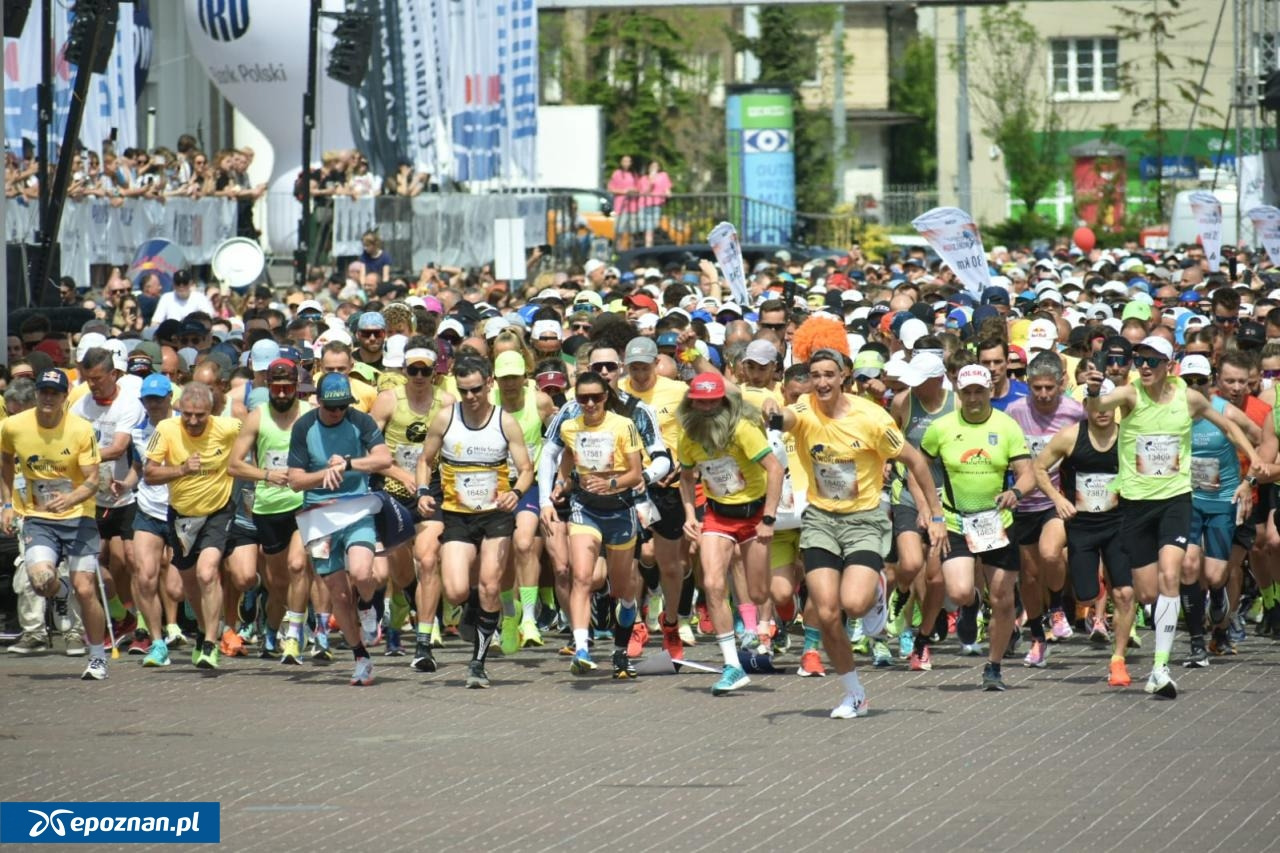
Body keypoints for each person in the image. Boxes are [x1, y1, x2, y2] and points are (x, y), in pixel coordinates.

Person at [764, 349, 946, 717]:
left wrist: (937, 515)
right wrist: (769, 409)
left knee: (855, 604)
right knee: (827, 613)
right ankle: (854, 694)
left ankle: (878, 590)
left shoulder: (872, 418)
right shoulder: (803, 409)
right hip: (820, 521)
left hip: (864, 520)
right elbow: (781, 417)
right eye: (815, 375)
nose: (822, 382)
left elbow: (914, 461)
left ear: (844, 375)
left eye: (829, 374)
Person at [1082, 336, 1262, 699]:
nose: (1144, 367)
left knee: (1171, 575)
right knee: (1147, 591)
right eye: (1139, 361)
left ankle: (1160, 668)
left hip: (1176, 500)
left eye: (1152, 361)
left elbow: (1228, 426)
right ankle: (1149, 658)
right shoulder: (1130, 395)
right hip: (1136, 504)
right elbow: (1096, 408)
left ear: (1169, 364)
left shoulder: (1188, 397)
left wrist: (1251, 458)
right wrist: (1092, 392)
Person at [416, 356, 534, 689]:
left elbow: (526, 468)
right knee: (454, 591)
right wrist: (424, 490)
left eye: (477, 389)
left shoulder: (504, 421)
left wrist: (516, 492)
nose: (471, 397)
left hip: (496, 515)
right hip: (457, 515)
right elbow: (425, 460)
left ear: (490, 383)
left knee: (490, 586)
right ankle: (478, 610)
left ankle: (478, 663)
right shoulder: (445, 419)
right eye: (464, 390)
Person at [920, 364, 1037, 692]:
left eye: (979, 391)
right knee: (956, 590)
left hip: (997, 522)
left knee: (1001, 598)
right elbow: (919, 467)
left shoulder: (1007, 426)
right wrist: (931, 511)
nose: (972, 398)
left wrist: (1015, 492)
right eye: (966, 392)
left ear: (989, 391)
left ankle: (993, 667)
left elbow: (1028, 473)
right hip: (956, 519)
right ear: (958, 393)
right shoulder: (941, 428)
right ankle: (971, 604)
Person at [676, 373, 783, 695]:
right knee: (712, 583)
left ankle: (760, 625)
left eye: (713, 401)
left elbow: (775, 470)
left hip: (754, 515)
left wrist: (769, 518)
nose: (707, 408)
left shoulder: (742, 430)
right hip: (718, 516)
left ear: (724, 401)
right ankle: (732, 665)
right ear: (691, 402)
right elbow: (684, 476)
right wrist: (689, 516)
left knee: (760, 592)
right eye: (700, 401)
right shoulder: (689, 436)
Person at [0, 369, 107, 680]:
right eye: (44, 391)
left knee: (85, 590)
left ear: (65, 397)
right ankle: (60, 592)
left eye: (55, 393)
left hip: (79, 518)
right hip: (39, 518)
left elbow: (93, 480)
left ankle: (98, 657)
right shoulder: (13, 426)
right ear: (37, 394)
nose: (48, 398)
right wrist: (7, 503)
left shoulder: (80, 429)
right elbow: (6, 460)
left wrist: (71, 498)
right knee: (39, 581)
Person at [287, 372, 393, 686]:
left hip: (356, 507)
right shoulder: (304, 427)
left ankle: (368, 605)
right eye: (331, 407)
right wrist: (322, 476)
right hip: (319, 517)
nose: (337, 412)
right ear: (318, 402)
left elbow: (384, 459)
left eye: (342, 407)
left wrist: (348, 464)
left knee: (362, 573)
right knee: (337, 592)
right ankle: (361, 656)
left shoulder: (360, 421)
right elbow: (294, 479)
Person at [1034, 380, 1138, 686]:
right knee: (1085, 593)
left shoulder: (1128, 438)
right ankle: (1095, 592)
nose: (1103, 411)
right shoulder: (1070, 437)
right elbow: (1039, 468)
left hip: (1117, 523)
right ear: (1086, 406)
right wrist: (1058, 499)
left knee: (1126, 593)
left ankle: (1118, 660)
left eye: (1109, 405)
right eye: (1097, 404)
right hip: (1081, 526)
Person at [545, 371, 645, 679]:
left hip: (619, 509)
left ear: (606, 398)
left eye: (596, 398)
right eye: (583, 398)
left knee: (621, 587)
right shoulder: (569, 426)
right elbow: (568, 458)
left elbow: (636, 474)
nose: (589, 404)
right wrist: (561, 483)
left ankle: (620, 649)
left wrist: (612, 482)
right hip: (584, 508)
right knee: (583, 578)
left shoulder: (623, 425)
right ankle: (582, 649)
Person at [143, 382, 242, 670]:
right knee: (188, 585)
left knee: (207, 572)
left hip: (217, 511)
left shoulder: (227, 427)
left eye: (200, 415)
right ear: (179, 410)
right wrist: (182, 469)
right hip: (182, 515)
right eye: (188, 414)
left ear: (211, 412)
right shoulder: (166, 429)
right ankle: (203, 629)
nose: (194, 421)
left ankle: (211, 643)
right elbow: (149, 474)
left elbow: (256, 432)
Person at [227, 359, 312, 665]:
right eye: (276, 387)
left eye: (287, 387)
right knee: (277, 583)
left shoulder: (308, 414)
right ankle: (271, 629)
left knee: (298, 566)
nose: (281, 393)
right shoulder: (256, 417)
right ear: (268, 387)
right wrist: (266, 475)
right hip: (267, 506)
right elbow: (234, 464)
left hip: (302, 504)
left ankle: (294, 636)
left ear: (296, 387)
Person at [1003, 351, 1085, 666]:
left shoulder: (1074, 412)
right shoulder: (1015, 411)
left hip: (1057, 500)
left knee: (1051, 554)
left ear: (1061, 384)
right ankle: (1037, 636)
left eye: (1049, 388)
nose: (1043, 395)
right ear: (1028, 384)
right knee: (1030, 575)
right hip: (1023, 504)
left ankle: (1058, 608)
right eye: (1037, 388)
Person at [1179, 354, 1259, 666]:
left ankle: (1217, 597)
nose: (1195, 387)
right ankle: (1196, 642)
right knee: (1188, 566)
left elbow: (1261, 443)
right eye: (1189, 381)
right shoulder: (1172, 411)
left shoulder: (1226, 412)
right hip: (1186, 500)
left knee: (1214, 575)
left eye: (1201, 381)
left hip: (1222, 501)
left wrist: (1249, 481)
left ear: (1211, 382)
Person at [637, 159, 671, 248]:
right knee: (643, 227)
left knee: (652, 227)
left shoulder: (663, 176)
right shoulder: (643, 178)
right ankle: (647, 245)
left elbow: (667, 188)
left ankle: (648, 246)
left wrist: (667, 194)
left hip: (656, 204)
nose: (654, 168)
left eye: (656, 166)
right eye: (652, 166)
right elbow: (643, 192)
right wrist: (650, 182)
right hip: (644, 205)